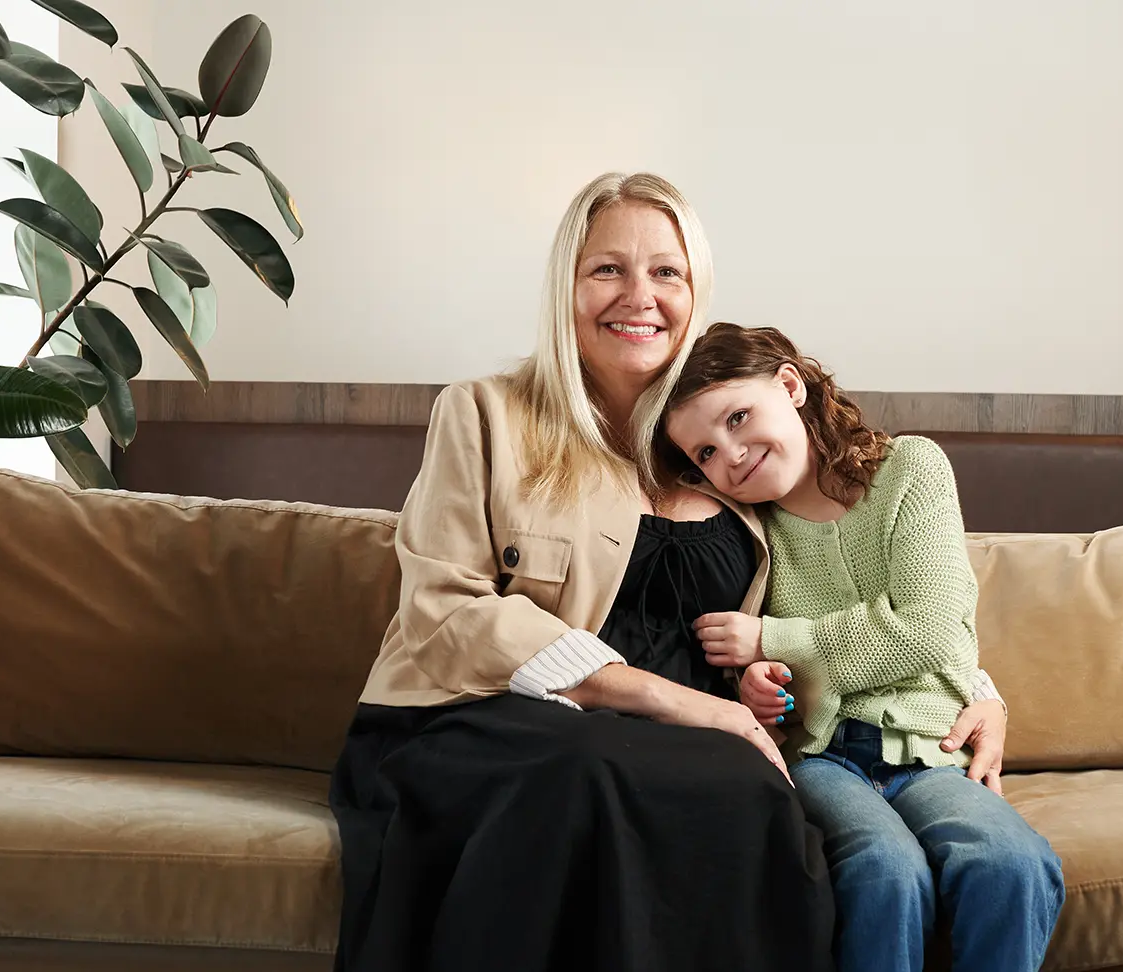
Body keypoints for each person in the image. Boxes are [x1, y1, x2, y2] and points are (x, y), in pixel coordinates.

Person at [328, 173, 1011, 972]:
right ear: (567, 289)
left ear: (695, 291)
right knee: (597, 765)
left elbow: (850, 590)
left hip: (686, 743)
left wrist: (977, 690)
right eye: (607, 269)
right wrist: (678, 703)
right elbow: (444, 608)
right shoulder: (483, 413)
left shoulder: (725, 445)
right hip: (489, 722)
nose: (638, 296)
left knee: (751, 789)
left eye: (666, 272)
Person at [662, 322, 1064, 972]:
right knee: (883, 870)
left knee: (1010, 862)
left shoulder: (911, 469)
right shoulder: (739, 528)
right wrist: (761, 679)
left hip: (932, 749)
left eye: (738, 418)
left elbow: (930, 625)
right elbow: (755, 674)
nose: (730, 455)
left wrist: (775, 638)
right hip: (822, 757)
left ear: (789, 385)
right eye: (705, 452)